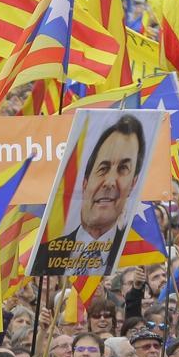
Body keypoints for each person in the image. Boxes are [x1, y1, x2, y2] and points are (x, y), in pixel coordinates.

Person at [34, 115, 147, 276]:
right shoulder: (44, 255)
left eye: (123, 169)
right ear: (85, 182)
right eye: (103, 168)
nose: (110, 182)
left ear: (133, 183)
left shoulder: (133, 258)